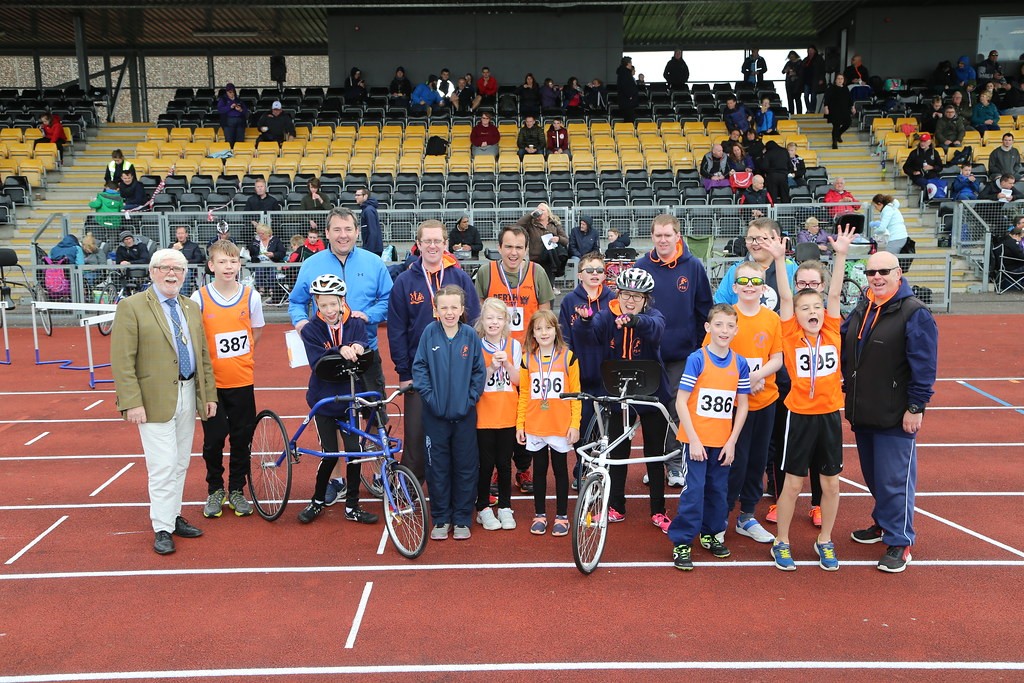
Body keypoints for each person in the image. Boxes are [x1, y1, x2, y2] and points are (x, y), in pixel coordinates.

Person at [110, 248, 217, 555]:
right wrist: (131, 402)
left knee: (181, 462)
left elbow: (203, 355)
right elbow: (122, 359)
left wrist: (208, 395)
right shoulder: (132, 306)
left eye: (178, 269)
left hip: (188, 392)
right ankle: (162, 526)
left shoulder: (190, 306)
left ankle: (173, 514)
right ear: (153, 271)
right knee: (163, 465)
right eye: (166, 268)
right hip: (153, 397)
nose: (172, 274)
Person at [765, 224, 857, 571]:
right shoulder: (790, 333)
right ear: (796, 314)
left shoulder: (832, 329)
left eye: (816, 307)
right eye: (805, 309)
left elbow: (834, 295)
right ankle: (782, 541)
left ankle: (825, 540)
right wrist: (779, 260)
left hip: (829, 415)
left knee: (830, 485)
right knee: (792, 484)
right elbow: (786, 297)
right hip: (799, 416)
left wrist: (841, 255)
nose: (812, 312)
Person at [289, 208, 393, 507]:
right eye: (337, 229)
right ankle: (336, 480)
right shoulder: (311, 264)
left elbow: (388, 299)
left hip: (364, 354)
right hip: (329, 358)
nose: (343, 235)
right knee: (331, 417)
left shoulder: (374, 263)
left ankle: (377, 471)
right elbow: (296, 302)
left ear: (357, 231)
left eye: (348, 229)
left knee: (374, 413)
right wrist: (302, 324)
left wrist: (368, 315)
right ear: (327, 232)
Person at [842, 250, 938, 573]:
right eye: (871, 273)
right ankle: (884, 523)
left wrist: (916, 407)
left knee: (895, 480)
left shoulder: (914, 312)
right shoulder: (863, 306)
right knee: (875, 477)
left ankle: (900, 541)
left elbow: (924, 367)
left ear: (898, 273)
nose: (877, 278)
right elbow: (843, 342)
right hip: (863, 410)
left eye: (884, 271)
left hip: (895, 414)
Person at [573, 268, 672, 528]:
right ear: (618, 294)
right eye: (626, 294)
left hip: (651, 391)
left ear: (646, 299)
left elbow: (656, 329)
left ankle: (658, 510)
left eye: (637, 296)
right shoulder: (607, 315)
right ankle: (616, 505)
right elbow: (589, 336)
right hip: (616, 390)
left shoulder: (654, 315)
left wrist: (635, 321)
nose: (630, 300)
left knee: (654, 452)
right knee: (617, 451)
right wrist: (584, 322)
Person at [387, 219, 480, 481]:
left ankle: (455, 489)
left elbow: (474, 322)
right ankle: (410, 488)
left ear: (445, 244)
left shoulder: (459, 278)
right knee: (416, 435)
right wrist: (404, 372)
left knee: (457, 433)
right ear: (418, 244)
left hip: (457, 371)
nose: (432, 246)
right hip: (420, 372)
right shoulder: (405, 281)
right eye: (427, 241)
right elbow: (397, 330)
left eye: (437, 241)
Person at [667, 303, 751, 570]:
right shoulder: (697, 359)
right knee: (694, 491)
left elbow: (743, 405)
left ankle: (711, 533)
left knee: (718, 490)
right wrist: (693, 439)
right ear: (708, 327)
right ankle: (682, 541)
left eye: (729, 326)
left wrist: (732, 441)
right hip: (696, 441)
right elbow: (681, 401)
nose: (724, 330)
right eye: (718, 325)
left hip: (722, 442)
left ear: (736, 330)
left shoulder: (740, 363)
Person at [475, 224, 556, 494]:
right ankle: (496, 469)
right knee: (496, 414)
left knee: (526, 415)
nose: (513, 252)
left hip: (528, 356)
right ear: (499, 248)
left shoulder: (537, 272)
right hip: (495, 354)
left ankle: (523, 468)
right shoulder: (486, 272)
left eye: (519, 247)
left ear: (526, 249)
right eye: (508, 246)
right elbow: (479, 313)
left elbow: (545, 316)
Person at [635, 214, 713, 487]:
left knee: (678, 409)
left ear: (678, 236)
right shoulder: (642, 266)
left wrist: (698, 348)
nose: (663, 240)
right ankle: (655, 465)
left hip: (682, 354)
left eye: (668, 235)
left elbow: (704, 309)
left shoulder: (693, 267)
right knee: (651, 411)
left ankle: (675, 462)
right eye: (658, 235)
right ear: (652, 237)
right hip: (649, 354)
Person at [295, 274, 378, 525]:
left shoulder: (355, 322)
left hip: (349, 397)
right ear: (316, 305)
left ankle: (352, 505)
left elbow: (362, 341)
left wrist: (359, 346)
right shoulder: (311, 329)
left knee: (355, 452)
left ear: (342, 301)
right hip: (324, 399)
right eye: (323, 305)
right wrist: (339, 349)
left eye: (333, 303)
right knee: (330, 454)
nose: (329, 310)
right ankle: (317, 500)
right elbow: (317, 360)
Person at [191, 239, 264, 520]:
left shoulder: (250, 296)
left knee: (242, 438)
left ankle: (236, 489)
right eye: (222, 261)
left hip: (242, 380)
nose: (228, 266)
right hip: (212, 384)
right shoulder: (199, 298)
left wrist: (241, 358)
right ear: (211, 266)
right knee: (214, 439)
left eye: (233, 261)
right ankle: (215, 489)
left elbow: (255, 331)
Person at [413, 285, 486, 541]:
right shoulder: (429, 334)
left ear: (463, 309)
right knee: (437, 468)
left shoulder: (470, 335)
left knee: (466, 467)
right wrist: (431, 400)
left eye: (454, 307)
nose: (449, 312)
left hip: (464, 415)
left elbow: (479, 372)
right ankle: (442, 518)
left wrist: (469, 400)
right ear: (436, 309)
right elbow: (420, 369)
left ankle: (463, 518)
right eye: (444, 307)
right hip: (435, 416)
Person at [718, 265, 783, 547]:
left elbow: (777, 358)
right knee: (733, 461)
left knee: (757, 460)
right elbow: (714, 356)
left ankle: (746, 516)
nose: (749, 285)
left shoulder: (772, 319)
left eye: (755, 280)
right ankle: (720, 516)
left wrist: (757, 376)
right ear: (734, 287)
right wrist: (743, 382)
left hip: (765, 400)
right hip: (733, 404)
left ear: (763, 287)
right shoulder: (725, 318)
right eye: (743, 280)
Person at [517, 309, 580, 537]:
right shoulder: (527, 359)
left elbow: (575, 394)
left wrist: (575, 424)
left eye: (548, 328)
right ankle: (540, 514)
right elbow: (524, 394)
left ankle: (562, 515)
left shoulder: (568, 357)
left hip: (559, 425)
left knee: (561, 471)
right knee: (539, 471)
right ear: (532, 333)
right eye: (539, 328)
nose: (544, 332)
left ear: (556, 330)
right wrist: (520, 424)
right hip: (536, 425)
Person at [558, 251, 614, 486]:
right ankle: (581, 468)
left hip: (606, 373)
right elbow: (565, 338)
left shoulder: (613, 300)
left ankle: (601, 468)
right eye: (589, 270)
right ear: (580, 274)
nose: (594, 274)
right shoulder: (570, 301)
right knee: (582, 423)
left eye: (599, 270)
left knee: (605, 427)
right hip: (579, 373)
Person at [475, 298, 523, 531]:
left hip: (507, 414)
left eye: (499, 318)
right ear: (482, 321)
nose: (494, 322)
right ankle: (483, 507)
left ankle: (505, 506)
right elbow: (475, 383)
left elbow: (519, 381)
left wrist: (509, 366)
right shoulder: (476, 345)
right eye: (489, 318)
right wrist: (491, 368)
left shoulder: (514, 346)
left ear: (506, 321)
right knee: (485, 464)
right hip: (484, 415)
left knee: (504, 464)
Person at [516, 203, 568, 289]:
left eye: (542, 210)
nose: (540, 212)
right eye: (538, 210)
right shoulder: (531, 224)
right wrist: (531, 215)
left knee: (548, 286)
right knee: (536, 285)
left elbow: (565, 240)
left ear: (548, 213)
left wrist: (558, 239)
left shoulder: (554, 224)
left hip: (551, 259)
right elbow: (518, 226)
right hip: (536, 258)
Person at [247, 222, 287, 300]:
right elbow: (251, 252)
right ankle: (261, 288)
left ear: (268, 233)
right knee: (259, 268)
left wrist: (273, 254)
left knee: (272, 270)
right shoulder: (256, 241)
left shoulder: (275, 240)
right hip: (260, 262)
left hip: (273, 262)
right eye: (259, 233)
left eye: (262, 234)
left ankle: (272, 289)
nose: (260, 235)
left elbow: (282, 252)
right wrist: (254, 245)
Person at [822, 74, 855, 149]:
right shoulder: (831, 88)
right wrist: (826, 107)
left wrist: (852, 107)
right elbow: (827, 98)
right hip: (834, 110)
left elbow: (849, 99)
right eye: (838, 78)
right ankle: (834, 142)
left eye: (841, 78)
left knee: (848, 123)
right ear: (835, 80)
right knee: (836, 126)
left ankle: (838, 134)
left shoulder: (845, 88)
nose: (840, 80)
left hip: (844, 109)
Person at [172, 226, 205, 296]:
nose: (180, 235)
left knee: (186, 273)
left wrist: (187, 261)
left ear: (186, 235)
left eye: (182, 233)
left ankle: (183, 296)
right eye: (178, 233)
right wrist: (173, 250)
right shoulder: (172, 246)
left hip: (188, 269)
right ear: (176, 235)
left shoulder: (193, 246)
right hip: (174, 269)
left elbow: (199, 259)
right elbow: (167, 259)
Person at [353, 187, 383, 256]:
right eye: (355, 195)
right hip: (371, 248)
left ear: (365, 196)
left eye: (358, 195)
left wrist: (369, 250)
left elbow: (372, 231)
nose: (356, 197)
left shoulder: (368, 210)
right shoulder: (367, 209)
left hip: (372, 249)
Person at [217, 84, 248, 148]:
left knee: (240, 140)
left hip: (240, 122)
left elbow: (245, 111)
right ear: (227, 92)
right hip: (228, 122)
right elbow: (220, 110)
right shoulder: (223, 100)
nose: (231, 93)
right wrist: (230, 107)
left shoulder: (239, 100)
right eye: (229, 92)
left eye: (232, 91)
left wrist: (240, 110)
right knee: (229, 141)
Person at [802, 46, 827, 113]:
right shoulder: (806, 59)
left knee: (813, 96)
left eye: (811, 50)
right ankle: (809, 109)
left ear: (815, 51)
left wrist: (821, 79)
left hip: (815, 80)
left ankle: (812, 110)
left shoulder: (819, 59)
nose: (810, 52)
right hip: (807, 80)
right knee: (806, 96)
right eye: (809, 50)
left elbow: (823, 69)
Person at [616, 56, 639, 123]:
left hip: (626, 100)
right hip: (627, 100)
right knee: (629, 119)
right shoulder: (625, 73)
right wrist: (630, 95)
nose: (631, 64)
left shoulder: (623, 72)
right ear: (628, 63)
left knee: (628, 118)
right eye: (631, 63)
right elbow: (625, 85)